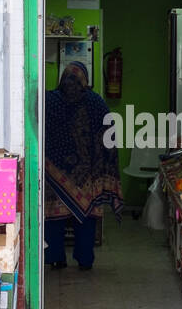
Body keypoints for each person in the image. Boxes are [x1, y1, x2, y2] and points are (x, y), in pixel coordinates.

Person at [44, 61, 124, 270]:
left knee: (54, 216)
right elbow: (109, 133)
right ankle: (85, 260)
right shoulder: (95, 102)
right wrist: (104, 162)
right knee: (86, 216)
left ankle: (55, 258)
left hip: (55, 173)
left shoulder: (49, 100)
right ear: (85, 80)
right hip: (87, 174)